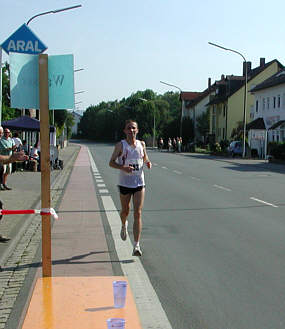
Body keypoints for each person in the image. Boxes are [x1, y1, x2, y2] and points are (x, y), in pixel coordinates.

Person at [109, 119, 152, 256]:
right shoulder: (120, 146)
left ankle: (136, 245)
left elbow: (144, 157)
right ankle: (123, 224)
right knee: (125, 211)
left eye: (134, 128)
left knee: (138, 212)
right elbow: (111, 163)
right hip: (124, 183)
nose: (131, 130)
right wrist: (123, 167)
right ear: (125, 131)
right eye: (129, 128)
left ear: (137, 130)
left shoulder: (142, 144)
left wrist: (148, 162)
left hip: (139, 182)